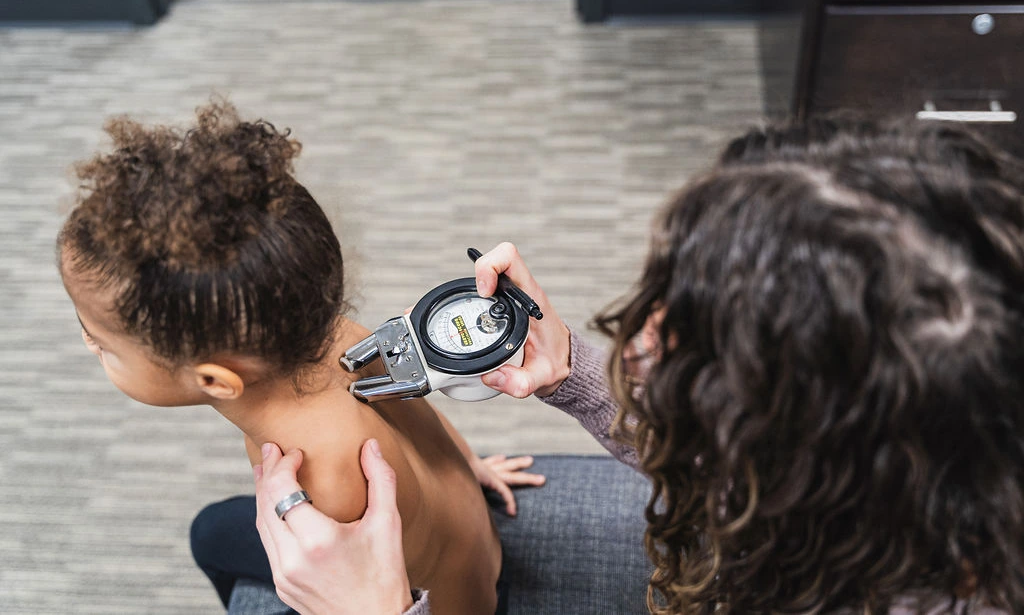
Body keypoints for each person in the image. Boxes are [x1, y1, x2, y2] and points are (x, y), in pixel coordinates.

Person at [252, 119, 1024, 614]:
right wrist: (572, 376)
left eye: (692, 332)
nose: (642, 345)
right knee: (222, 537)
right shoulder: (911, 471)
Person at [56, 101, 544, 615]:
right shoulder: (339, 337)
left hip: (453, 604)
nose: (88, 343)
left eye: (101, 342)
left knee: (210, 535)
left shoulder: (324, 480)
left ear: (216, 381)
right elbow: (417, 402)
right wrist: (466, 468)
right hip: (481, 544)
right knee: (218, 528)